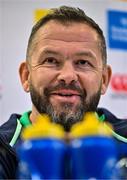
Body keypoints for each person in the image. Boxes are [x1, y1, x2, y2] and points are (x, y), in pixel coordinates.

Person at [0, 5, 127, 179]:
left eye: (83, 62)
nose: (68, 76)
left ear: (104, 80)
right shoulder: (3, 148)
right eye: (51, 60)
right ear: (26, 76)